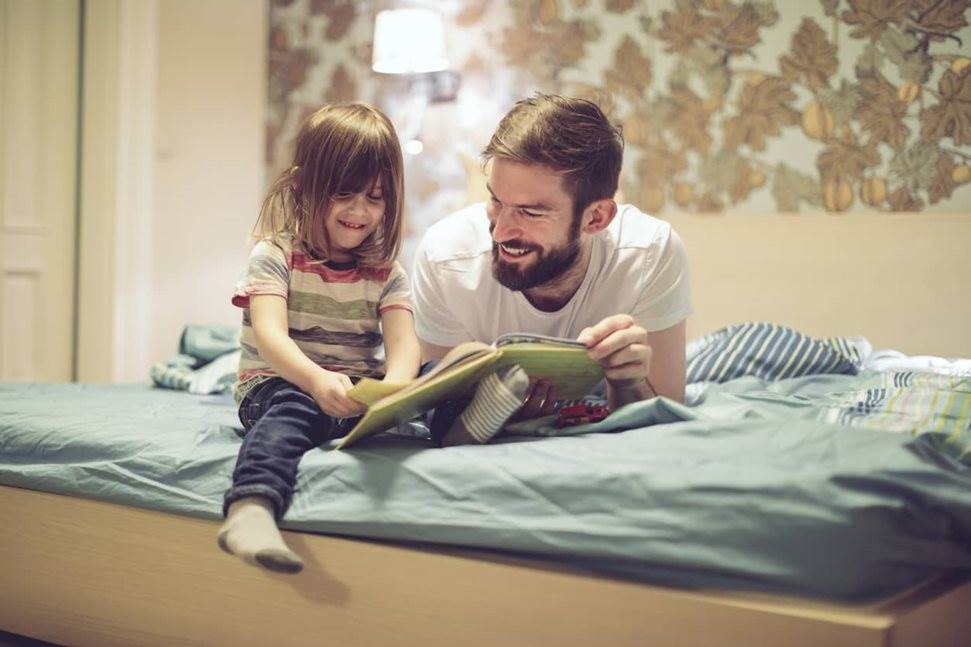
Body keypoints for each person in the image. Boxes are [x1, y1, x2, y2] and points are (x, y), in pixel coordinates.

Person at [413, 94, 691, 444]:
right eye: (496, 200)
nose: (500, 232)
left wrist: (627, 382)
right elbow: (440, 417)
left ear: (596, 217)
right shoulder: (445, 259)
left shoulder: (649, 254)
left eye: (531, 213)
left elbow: (663, 421)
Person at [218, 103, 421, 574]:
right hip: (278, 383)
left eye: (374, 197)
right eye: (343, 193)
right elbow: (270, 337)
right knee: (297, 408)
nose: (359, 211)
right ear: (304, 187)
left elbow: (404, 344)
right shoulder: (275, 256)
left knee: (435, 376)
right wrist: (314, 380)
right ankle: (250, 510)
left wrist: (395, 387)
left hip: (353, 392)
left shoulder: (387, 273)